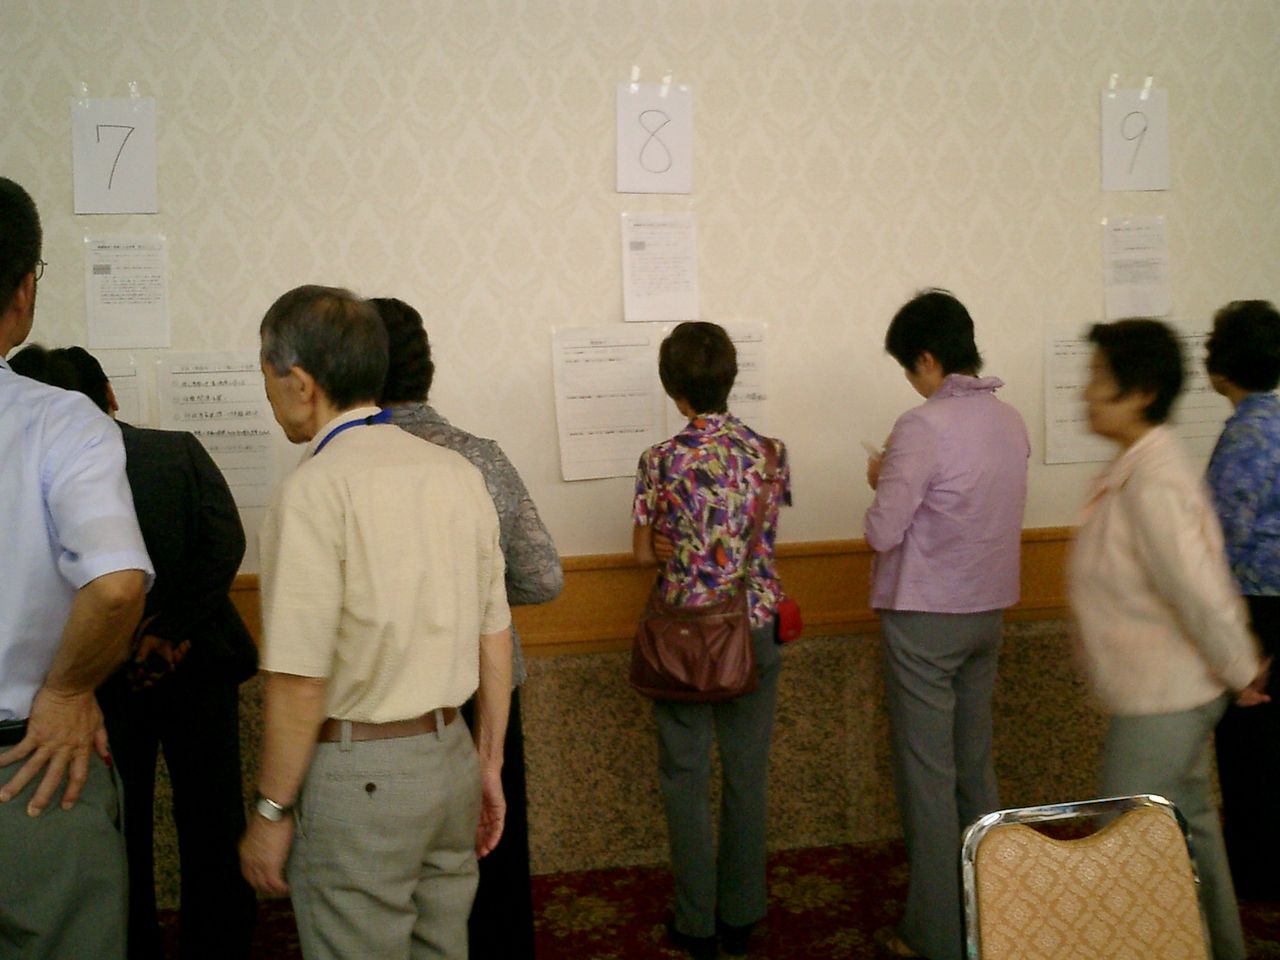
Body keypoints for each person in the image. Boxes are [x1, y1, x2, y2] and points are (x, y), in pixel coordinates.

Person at [238, 285, 513, 960]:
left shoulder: (312, 490)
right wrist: (488, 763)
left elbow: (299, 681)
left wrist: (271, 811)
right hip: (451, 759)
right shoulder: (457, 474)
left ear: (300, 382)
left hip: (359, 776)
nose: (267, 393)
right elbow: (495, 636)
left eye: (266, 375)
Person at [9, 343, 259, 959]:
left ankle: (132, 942)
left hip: (101, 680)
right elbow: (224, 543)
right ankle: (220, 943)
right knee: (212, 814)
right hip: (196, 666)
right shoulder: (175, 451)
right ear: (110, 395)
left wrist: (136, 636)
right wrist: (170, 628)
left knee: (121, 822)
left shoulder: (39, 450)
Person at [1069, 318, 1268, 960]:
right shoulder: (1137, 469)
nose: (1085, 393)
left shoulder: (1154, 480)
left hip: (1166, 698)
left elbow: (1199, 589)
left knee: (1123, 844)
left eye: (1099, 378)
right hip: (1164, 690)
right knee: (1192, 832)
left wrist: (1241, 669)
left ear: (1142, 392)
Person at [372, 296, 562, 958]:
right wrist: (482, 601)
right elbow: (544, 577)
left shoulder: (341, 465)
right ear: (426, 369)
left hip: (389, 694)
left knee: (400, 876)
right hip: (488, 680)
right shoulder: (480, 457)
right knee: (493, 851)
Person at [0, 177, 153, 956]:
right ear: (23, 291)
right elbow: (118, 583)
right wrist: (65, 691)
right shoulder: (62, 423)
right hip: (31, 767)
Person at [863, 290, 1028, 960]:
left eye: (909, 366)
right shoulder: (1009, 419)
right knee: (975, 770)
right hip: (988, 610)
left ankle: (934, 935)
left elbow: (883, 532)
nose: (911, 379)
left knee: (927, 780)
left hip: (926, 619)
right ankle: (995, 917)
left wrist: (880, 479)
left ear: (928, 359)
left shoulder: (921, 427)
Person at [631, 321, 791, 959]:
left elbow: (642, 553)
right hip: (755, 625)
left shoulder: (659, 460)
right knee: (748, 774)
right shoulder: (771, 453)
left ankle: (695, 923)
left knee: (685, 776)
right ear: (730, 378)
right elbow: (762, 533)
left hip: (684, 635)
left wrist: (664, 543)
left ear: (672, 388)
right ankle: (742, 916)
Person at [1203, 300, 1280, 901]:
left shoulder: (1243, 438)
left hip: (1255, 611)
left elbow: (1221, 545)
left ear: (1220, 366)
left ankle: (1254, 877)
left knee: (1249, 753)